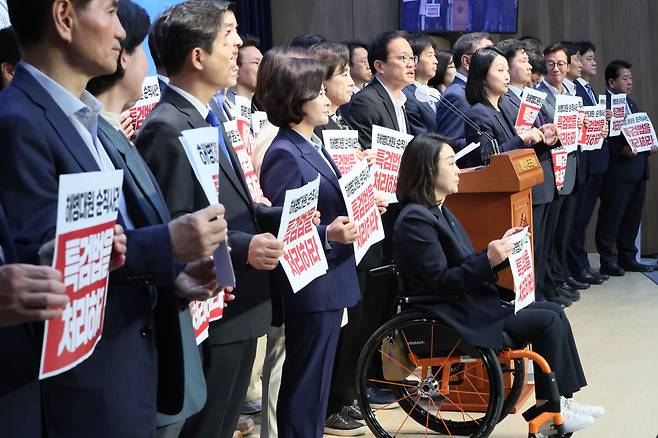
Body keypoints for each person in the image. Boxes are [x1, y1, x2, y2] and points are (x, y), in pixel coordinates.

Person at [0, 0, 226, 436]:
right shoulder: (20, 122)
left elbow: (102, 251)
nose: (120, 32)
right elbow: (48, 268)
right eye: (108, 12)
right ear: (65, 17)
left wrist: (170, 275)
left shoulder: (85, 121)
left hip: (121, 372)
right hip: (80, 392)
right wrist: (166, 244)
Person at [136, 2, 284, 438]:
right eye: (228, 35)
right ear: (197, 57)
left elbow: (228, 201)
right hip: (213, 305)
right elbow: (176, 225)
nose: (239, 43)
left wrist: (280, 216)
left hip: (239, 302)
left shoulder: (208, 114)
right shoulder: (166, 127)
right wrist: (244, 246)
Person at [393, 133, 604, 435]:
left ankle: (559, 402)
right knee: (546, 319)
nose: (458, 169)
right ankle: (553, 406)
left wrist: (497, 253)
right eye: (451, 163)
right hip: (446, 312)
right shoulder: (415, 220)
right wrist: (488, 261)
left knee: (551, 310)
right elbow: (440, 281)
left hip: (462, 301)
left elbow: (461, 264)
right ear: (428, 171)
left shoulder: (438, 210)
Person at [85, 1, 226, 436]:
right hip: (126, 350)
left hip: (159, 324)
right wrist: (170, 252)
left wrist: (177, 276)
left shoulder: (110, 132)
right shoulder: (154, 128)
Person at [259, 57, 361, 438]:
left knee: (316, 386)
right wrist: (328, 234)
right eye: (318, 92)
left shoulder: (311, 145)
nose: (326, 99)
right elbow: (287, 229)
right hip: (312, 284)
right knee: (305, 386)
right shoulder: (285, 152)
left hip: (330, 281)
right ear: (296, 100)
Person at [494, 39, 563, 305]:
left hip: (541, 171)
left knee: (543, 245)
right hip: (525, 177)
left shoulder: (528, 96)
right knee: (531, 247)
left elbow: (538, 131)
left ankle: (542, 290)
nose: (528, 65)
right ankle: (532, 295)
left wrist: (550, 133)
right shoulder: (507, 100)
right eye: (521, 60)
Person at [596, 60, 657, 274]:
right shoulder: (603, 105)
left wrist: (649, 144)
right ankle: (608, 259)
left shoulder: (631, 103)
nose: (630, 82)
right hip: (617, 172)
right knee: (612, 216)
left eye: (630, 78)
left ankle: (628, 257)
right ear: (611, 81)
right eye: (625, 78)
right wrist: (620, 150)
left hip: (638, 169)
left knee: (632, 217)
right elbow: (601, 140)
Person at [535, 42, 583, 306]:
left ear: (568, 65)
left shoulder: (572, 92)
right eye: (551, 63)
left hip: (571, 166)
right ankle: (546, 287)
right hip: (551, 170)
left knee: (562, 233)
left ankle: (555, 281)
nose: (556, 68)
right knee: (548, 237)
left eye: (561, 63)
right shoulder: (537, 94)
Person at [567, 41, 610, 285]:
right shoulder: (574, 90)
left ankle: (582, 265)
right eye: (588, 58)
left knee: (582, 220)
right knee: (577, 221)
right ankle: (577, 267)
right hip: (584, 162)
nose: (594, 62)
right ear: (578, 61)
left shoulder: (588, 88)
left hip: (596, 163)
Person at [463, 46, 545, 167]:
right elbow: (487, 159)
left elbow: (518, 149)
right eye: (500, 70)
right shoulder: (478, 113)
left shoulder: (504, 106)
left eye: (507, 71)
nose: (507, 76)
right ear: (482, 74)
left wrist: (543, 138)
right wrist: (522, 138)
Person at [435, 32, 492, 155]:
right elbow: (450, 144)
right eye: (486, 54)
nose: (494, 59)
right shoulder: (456, 95)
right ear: (466, 61)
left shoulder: (476, 90)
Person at [403, 33, 439, 135]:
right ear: (414, 60)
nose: (435, 61)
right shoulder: (407, 95)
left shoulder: (434, 92)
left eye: (435, 56)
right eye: (430, 55)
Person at [228, 35, 262, 112]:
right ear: (235, 67)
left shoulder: (255, 107)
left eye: (263, 62)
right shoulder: (227, 108)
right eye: (256, 62)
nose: (263, 68)